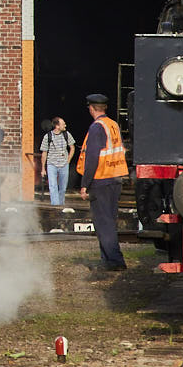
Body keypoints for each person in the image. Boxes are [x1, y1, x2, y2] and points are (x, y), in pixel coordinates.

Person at [81, 91, 129, 273]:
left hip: (101, 179)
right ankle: (108, 259)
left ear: (92, 109)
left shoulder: (96, 127)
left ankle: (115, 260)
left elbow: (92, 157)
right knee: (109, 220)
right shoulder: (113, 124)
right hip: (115, 178)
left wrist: (85, 183)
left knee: (103, 223)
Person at [40, 117, 73, 217]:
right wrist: (43, 168)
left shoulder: (67, 134)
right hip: (52, 164)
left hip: (64, 164)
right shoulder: (48, 136)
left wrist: (68, 160)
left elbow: (72, 147)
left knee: (62, 188)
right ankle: (56, 207)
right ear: (57, 126)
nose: (65, 126)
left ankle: (60, 205)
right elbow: (44, 153)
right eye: (63, 124)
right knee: (53, 186)